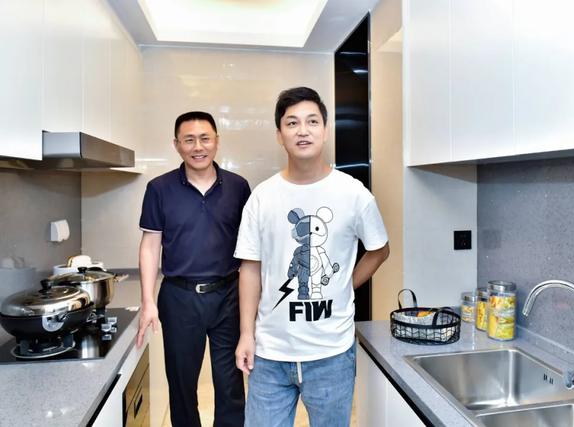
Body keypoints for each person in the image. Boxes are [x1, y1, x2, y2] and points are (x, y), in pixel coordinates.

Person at [234, 87, 390, 427]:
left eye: (312, 121)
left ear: (326, 129)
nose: (302, 130)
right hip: (270, 354)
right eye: (292, 123)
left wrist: (344, 284)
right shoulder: (262, 197)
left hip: (332, 353)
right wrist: (246, 334)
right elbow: (250, 268)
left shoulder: (353, 194)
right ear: (280, 134)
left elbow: (379, 250)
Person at [137, 111, 250, 427]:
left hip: (229, 295)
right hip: (179, 297)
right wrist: (147, 301)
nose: (198, 147)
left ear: (216, 141)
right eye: (189, 140)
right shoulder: (159, 188)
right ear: (177, 145)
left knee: (231, 383)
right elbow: (150, 246)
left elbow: (251, 250)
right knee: (182, 384)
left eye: (204, 138)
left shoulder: (238, 187)